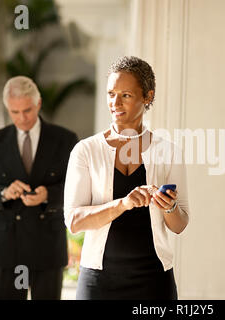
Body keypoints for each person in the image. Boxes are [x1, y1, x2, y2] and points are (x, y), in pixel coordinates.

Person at [64, 56, 190, 300]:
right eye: (111, 93)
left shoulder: (169, 151)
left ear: (148, 97)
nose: (115, 102)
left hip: (154, 280)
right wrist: (123, 204)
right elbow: (74, 221)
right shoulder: (86, 151)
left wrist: (170, 206)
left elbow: (180, 224)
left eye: (126, 95)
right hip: (99, 281)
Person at [0, 76, 78, 300]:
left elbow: (77, 188)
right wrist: (3, 193)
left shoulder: (65, 139)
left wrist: (48, 195)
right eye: (15, 112)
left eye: (27, 110)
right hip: (10, 248)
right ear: (7, 109)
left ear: (38, 104)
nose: (22, 118)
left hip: (47, 245)